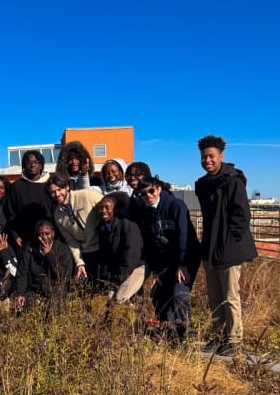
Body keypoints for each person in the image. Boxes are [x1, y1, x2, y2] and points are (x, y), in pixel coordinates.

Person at [195, 135, 258, 354]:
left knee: (230, 296)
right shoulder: (202, 184)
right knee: (214, 297)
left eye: (211, 156)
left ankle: (233, 341)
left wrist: (231, 242)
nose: (207, 160)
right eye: (204, 157)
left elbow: (242, 215)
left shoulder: (233, 180)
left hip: (229, 249)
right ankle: (219, 336)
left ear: (221, 156)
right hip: (210, 248)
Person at [130, 176, 201, 342]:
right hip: (166, 262)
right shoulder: (146, 214)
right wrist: (156, 271)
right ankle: (169, 330)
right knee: (157, 293)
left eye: (151, 191)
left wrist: (182, 264)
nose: (148, 196)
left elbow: (184, 235)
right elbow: (150, 244)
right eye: (143, 194)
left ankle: (187, 334)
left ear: (159, 189)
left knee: (179, 293)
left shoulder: (175, 205)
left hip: (186, 257)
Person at [46, 172, 103, 281]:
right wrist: (79, 262)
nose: (57, 194)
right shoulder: (58, 215)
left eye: (59, 189)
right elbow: (71, 240)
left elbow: (108, 208)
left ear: (67, 187)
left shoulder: (86, 195)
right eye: (52, 192)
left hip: (103, 246)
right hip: (87, 251)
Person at [95, 193, 145, 304]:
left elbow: (131, 257)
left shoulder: (127, 225)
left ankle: (134, 313)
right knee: (107, 301)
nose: (103, 211)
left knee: (120, 299)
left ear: (115, 209)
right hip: (118, 273)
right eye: (101, 208)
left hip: (135, 268)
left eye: (107, 207)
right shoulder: (102, 229)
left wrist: (116, 280)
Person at [14, 220, 74, 313]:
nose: (44, 237)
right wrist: (20, 293)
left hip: (56, 291)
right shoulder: (30, 250)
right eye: (40, 234)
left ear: (53, 234)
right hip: (35, 290)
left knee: (52, 310)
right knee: (20, 308)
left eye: (47, 233)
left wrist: (49, 255)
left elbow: (64, 275)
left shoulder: (62, 249)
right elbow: (23, 273)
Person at [6, 150, 54, 248]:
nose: (32, 165)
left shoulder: (50, 184)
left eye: (36, 162)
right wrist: (15, 235)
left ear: (41, 165)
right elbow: (11, 213)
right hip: (24, 239)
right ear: (24, 165)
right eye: (29, 162)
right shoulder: (16, 186)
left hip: (48, 237)